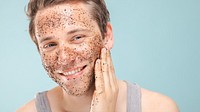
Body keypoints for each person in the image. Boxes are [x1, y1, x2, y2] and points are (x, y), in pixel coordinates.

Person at [17, 0, 179, 112]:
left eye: (77, 37)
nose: (65, 58)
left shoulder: (158, 108)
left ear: (107, 36)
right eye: (50, 45)